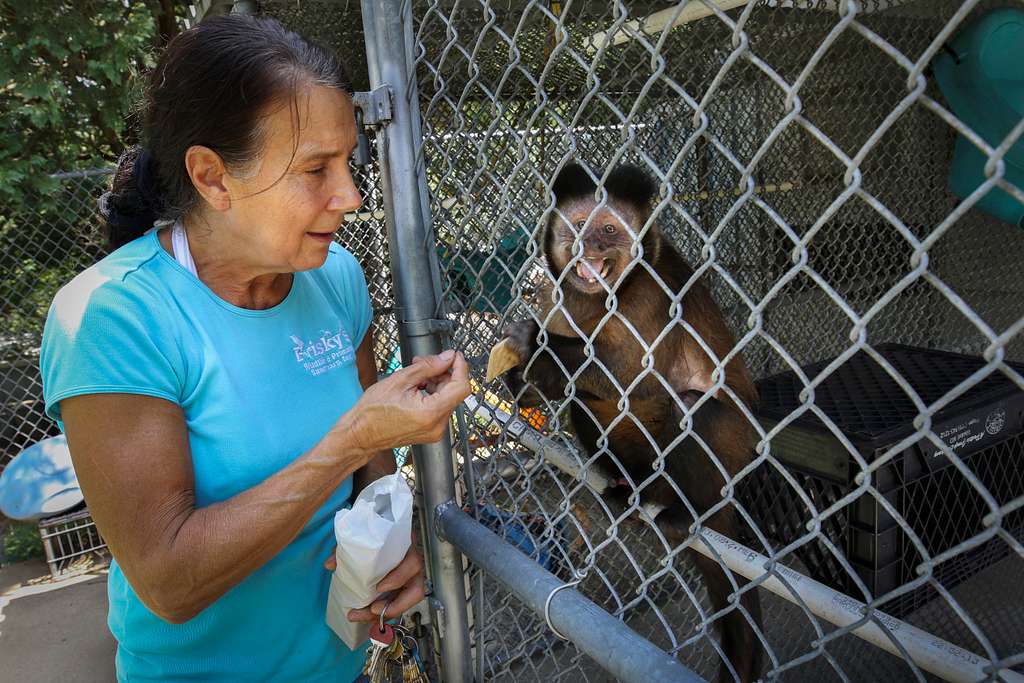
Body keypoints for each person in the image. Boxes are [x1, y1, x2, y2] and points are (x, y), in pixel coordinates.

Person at [38, 14, 469, 682]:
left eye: (348, 163)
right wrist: (349, 442)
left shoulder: (337, 279)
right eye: (316, 169)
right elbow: (169, 580)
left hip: (341, 664)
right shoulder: (112, 318)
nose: (350, 196)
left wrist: (389, 532)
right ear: (213, 177)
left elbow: (371, 466)